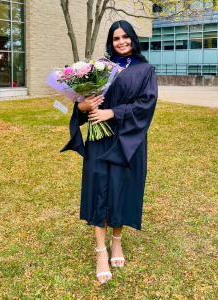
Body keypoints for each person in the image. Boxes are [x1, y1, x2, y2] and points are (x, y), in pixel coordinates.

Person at [62, 20, 158, 283]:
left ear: (133, 39)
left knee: (121, 187)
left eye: (126, 37)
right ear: (110, 41)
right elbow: (81, 103)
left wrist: (112, 112)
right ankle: (101, 252)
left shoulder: (145, 69)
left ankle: (117, 242)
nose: (121, 42)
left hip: (128, 138)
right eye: (116, 38)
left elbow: (146, 105)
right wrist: (83, 106)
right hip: (99, 138)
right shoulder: (100, 68)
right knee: (98, 188)